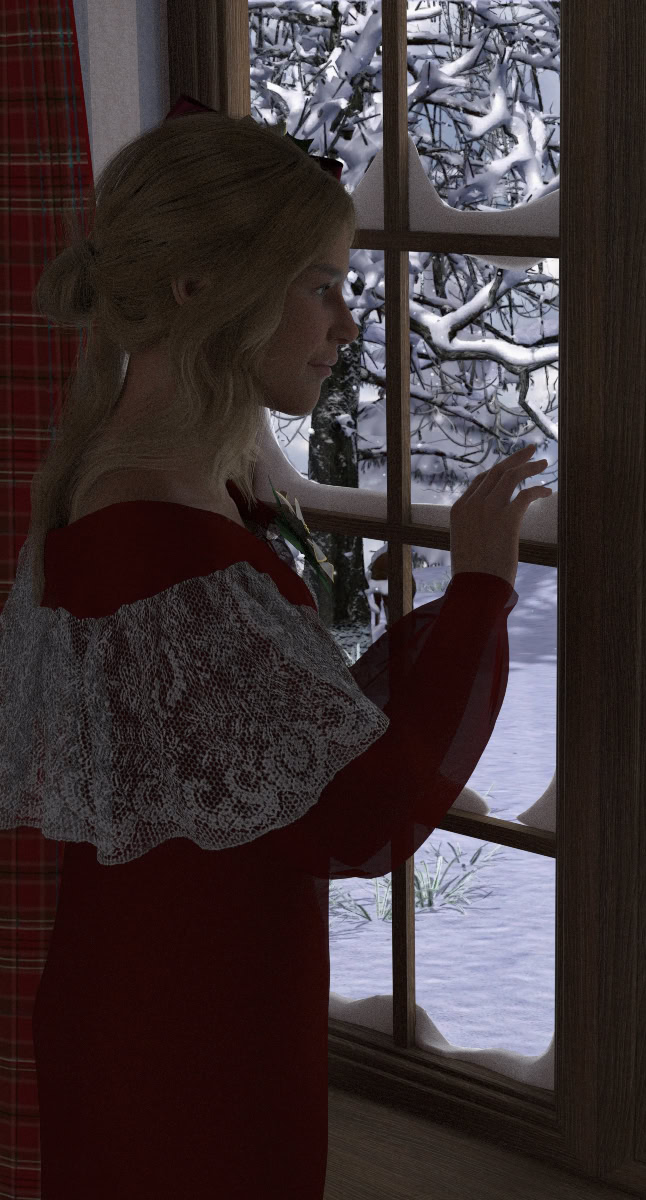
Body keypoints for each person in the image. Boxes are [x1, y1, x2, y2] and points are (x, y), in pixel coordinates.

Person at [2, 109, 548, 1199]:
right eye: (319, 284)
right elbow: (360, 813)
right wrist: (479, 590)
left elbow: (277, 744)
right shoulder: (158, 533)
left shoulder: (149, 482)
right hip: (188, 1033)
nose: (346, 324)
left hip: (167, 994)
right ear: (201, 290)